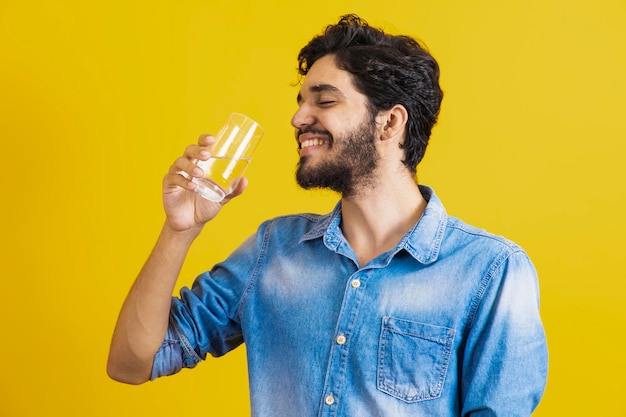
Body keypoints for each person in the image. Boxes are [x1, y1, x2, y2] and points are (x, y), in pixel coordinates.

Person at [107, 14, 548, 416]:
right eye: (301, 101)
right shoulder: (272, 250)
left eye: (325, 101)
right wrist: (180, 229)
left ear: (390, 123)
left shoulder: (491, 271)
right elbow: (131, 363)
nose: (298, 118)